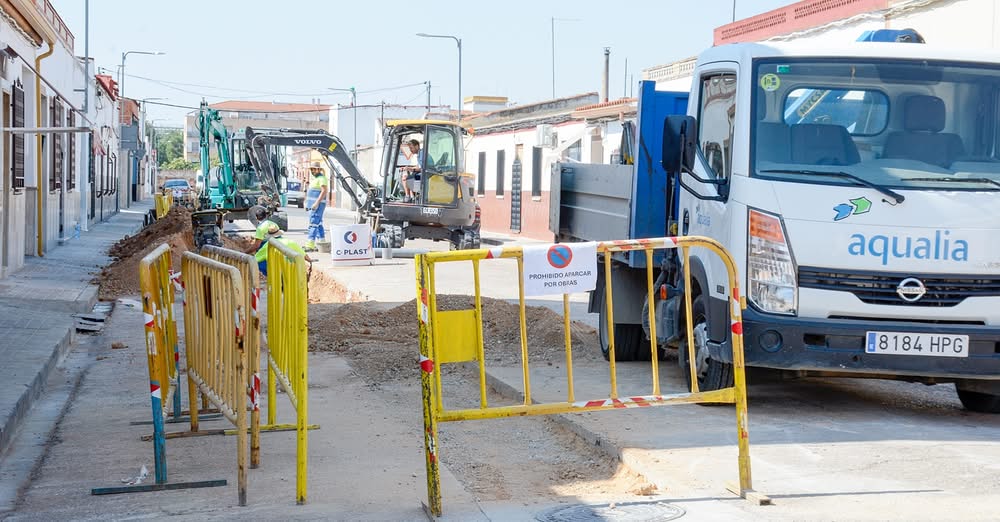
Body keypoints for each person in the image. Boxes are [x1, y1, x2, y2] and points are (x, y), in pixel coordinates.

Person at [304, 161, 329, 251]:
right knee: (318, 223)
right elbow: (309, 193)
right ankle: (322, 242)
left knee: (313, 223)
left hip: (317, 205)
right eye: (311, 169)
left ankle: (310, 245)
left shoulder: (322, 178)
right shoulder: (314, 179)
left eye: (314, 169)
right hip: (312, 205)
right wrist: (306, 203)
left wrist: (317, 203)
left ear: (318, 169)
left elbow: (324, 191)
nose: (312, 171)